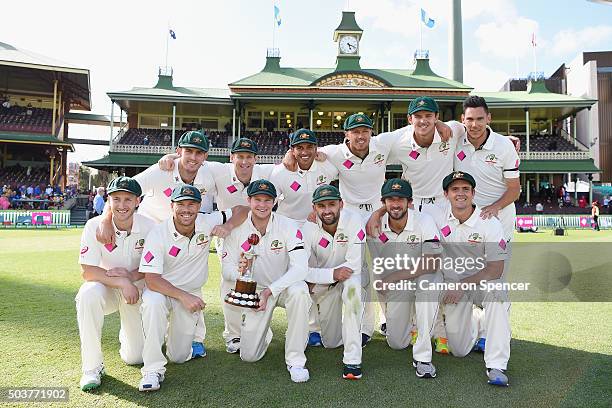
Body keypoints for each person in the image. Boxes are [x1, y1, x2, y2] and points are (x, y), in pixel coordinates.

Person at [97, 131, 215, 357]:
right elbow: (126, 189)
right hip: (153, 236)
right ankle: (142, 336)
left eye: (198, 153)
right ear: (179, 151)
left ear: (205, 156)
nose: (192, 157)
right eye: (187, 151)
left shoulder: (208, 175)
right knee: (147, 288)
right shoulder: (161, 170)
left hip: (185, 232)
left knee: (191, 282)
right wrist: (105, 219)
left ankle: (195, 339)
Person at [138, 184, 244, 392]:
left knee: (178, 357)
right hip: (161, 290)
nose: (186, 209)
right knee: (152, 303)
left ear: (199, 206)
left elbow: (243, 209)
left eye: (192, 204)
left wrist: (228, 226)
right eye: (181, 204)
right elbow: (151, 279)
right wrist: (183, 296)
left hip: (190, 294)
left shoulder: (207, 220)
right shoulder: (158, 233)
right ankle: (152, 369)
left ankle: (174, 339)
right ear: (172, 206)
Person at [220, 179, 311, 383]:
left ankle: (296, 360)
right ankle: (263, 333)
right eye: (257, 200)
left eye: (267, 200)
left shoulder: (288, 226)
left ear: (275, 202)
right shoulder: (236, 229)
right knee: (249, 356)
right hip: (256, 292)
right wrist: (239, 271)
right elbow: (226, 269)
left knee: (300, 292)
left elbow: (301, 268)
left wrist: (270, 290)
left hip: (284, 286)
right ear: (249, 200)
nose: (262, 205)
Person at [76, 176, 156, 391]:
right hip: (107, 287)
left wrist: (130, 278)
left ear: (138, 201)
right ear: (108, 201)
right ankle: (92, 368)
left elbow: (154, 266)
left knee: (135, 357)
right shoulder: (94, 225)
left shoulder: (150, 227)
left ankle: (134, 335)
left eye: (128, 199)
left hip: (135, 291)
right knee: (87, 294)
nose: (122, 205)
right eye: (116, 199)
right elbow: (88, 271)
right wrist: (122, 281)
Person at [434, 171, 511, 386]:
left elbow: (496, 268)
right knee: (458, 350)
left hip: (482, 282)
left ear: (473, 193)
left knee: (497, 293)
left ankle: (496, 365)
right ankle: (478, 320)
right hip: (454, 286)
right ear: (446, 194)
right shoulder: (437, 218)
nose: (461, 194)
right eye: (455, 189)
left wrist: (462, 284)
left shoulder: (489, 223)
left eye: (465, 189)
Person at [367, 178, 442, 379]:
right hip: (398, 282)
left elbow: (432, 263)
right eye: (390, 199)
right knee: (396, 343)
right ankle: (415, 325)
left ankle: (423, 356)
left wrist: (393, 277)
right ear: (383, 203)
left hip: (423, 276)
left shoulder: (424, 221)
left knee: (428, 286)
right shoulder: (375, 225)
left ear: (410, 202)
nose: (396, 204)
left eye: (401, 199)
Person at [301, 185, 365, 379]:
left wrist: (322, 276)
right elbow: (301, 268)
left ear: (341, 204)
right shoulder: (308, 227)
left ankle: (353, 361)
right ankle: (327, 335)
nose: (327, 210)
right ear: (314, 208)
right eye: (321, 206)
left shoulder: (354, 221)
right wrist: (329, 276)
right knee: (331, 342)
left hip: (350, 277)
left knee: (353, 292)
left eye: (332, 204)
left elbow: (354, 263)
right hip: (327, 282)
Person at [270, 129, 339, 225]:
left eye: (309, 147)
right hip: (286, 225)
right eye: (300, 148)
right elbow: (268, 203)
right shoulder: (280, 172)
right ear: (292, 150)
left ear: (316, 149)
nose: (305, 152)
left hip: (316, 225)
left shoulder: (326, 167)